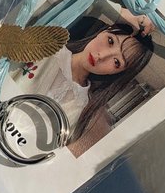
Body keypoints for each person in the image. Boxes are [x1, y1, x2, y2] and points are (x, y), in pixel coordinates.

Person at [15, 21, 154, 148]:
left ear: (117, 73)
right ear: (104, 31)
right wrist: (121, 13)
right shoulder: (47, 48)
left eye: (116, 62)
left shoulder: (81, 107)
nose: (102, 56)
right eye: (110, 41)